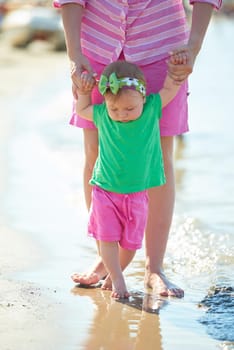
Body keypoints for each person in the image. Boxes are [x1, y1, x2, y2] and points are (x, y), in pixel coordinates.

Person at [54, 0, 222, 297]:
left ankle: (154, 268)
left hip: (163, 49)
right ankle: (107, 261)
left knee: (158, 158)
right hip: (96, 45)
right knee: (95, 154)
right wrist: (74, 53)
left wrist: (193, 46)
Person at [75, 59, 183, 299]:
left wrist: (176, 70)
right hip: (105, 190)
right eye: (115, 109)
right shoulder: (103, 114)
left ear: (143, 98)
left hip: (137, 193)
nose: (122, 115)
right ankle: (118, 280)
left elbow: (169, 90)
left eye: (129, 109)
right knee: (107, 236)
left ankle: (115, 274)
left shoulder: (152, 108)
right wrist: (83, 92)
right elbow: (83, 110)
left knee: (131, 243)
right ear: (106, 103)